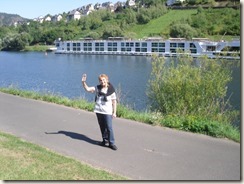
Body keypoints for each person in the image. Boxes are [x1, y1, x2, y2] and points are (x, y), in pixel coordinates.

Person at [81, 73, 118, 150]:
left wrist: (114, 112)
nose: (102, 81)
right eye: (101, 80)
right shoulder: (97, 88)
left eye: (104, 80)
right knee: (102, 127)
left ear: (107, 80)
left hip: (107, 112)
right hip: (98, 111)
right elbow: (87, 89)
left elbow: (114, 102)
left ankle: (112, 143)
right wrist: (83, 82)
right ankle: (105, 141)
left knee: (109, 127)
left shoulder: (111, 90)